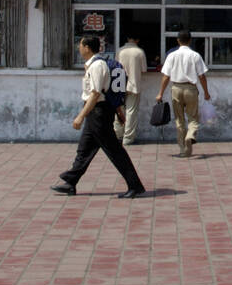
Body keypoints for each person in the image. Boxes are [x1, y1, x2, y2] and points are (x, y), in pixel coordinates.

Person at [52, 35, 146, 198]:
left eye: (80, 45)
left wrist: (80, 116)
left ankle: (135, 185)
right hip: (97, 113)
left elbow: (96, 94)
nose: (78, 48)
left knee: (114, 151)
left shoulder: (97, 66)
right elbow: (107, 91)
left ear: (87, 48)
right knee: (84, 149)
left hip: (98, 113)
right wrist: (118, 112)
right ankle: (70, 182)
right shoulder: (94, 65)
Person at [156, 30, 210, 158]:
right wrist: (206, 93)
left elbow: (166, 76)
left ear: (178, 41)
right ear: (190, 40)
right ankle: (191, 135)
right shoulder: (195, 55)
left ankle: (183, 150)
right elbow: (202, 76)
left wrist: (160, 93)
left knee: (179, 120)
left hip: (176, 88)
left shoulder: (172, 55)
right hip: (191, 89)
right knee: (192, 117)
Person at [114, 35, 147, 146]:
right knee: (131, 112)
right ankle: (128, 138)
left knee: (119, 110)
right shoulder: (139, 52)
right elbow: (144, 70)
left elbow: (115, 66)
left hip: (119, 85)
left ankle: (118, 135)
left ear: (127, 38)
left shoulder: (120, 51)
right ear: (137, 39)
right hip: (134, 85)